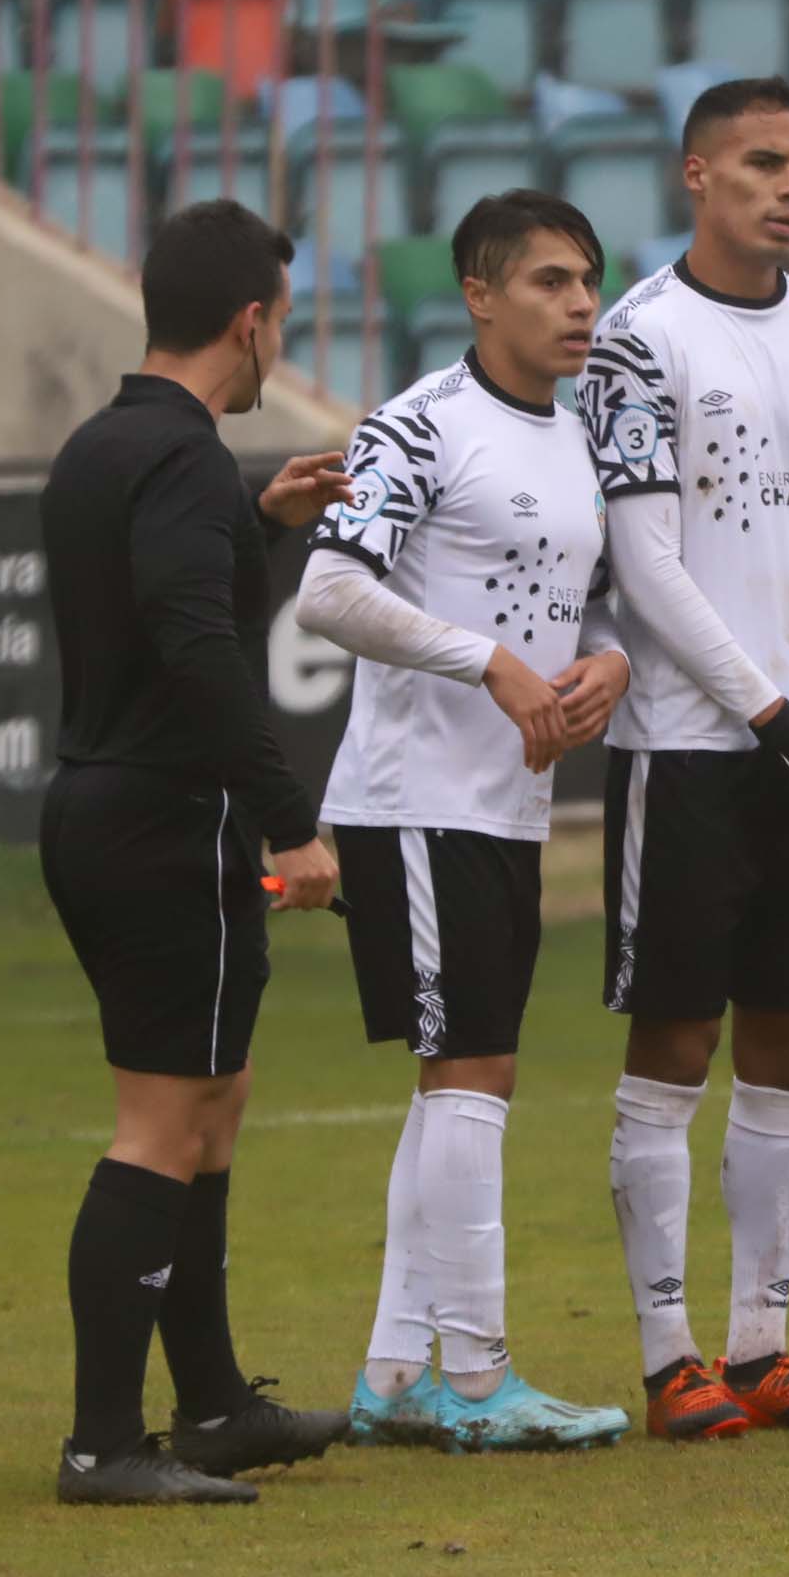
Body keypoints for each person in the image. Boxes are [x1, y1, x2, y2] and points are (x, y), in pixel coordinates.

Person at [572, 78, 789, 1440]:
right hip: (689, 747)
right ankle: (667, 1358)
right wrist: (763, 709)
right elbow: (643, 561)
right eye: (761, 162)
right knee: (676, 1039)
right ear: (694, 173)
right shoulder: (637, 340)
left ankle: (764, 1345)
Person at [295, 192, 635, 1456]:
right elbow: (330, 589)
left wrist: (607, 663)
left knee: (459, 1082)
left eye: (589, 280)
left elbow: (590, 602)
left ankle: (393, 1373)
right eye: (549, 280)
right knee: (472, 1075)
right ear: (481, 295)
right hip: (416, 802)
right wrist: (486, 661)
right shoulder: (415, 426)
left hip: (505, 805)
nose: (580, 303)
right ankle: (480, 1378)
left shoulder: (578, 438)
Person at [36, 200, 357, 1505]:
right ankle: (104, 1446)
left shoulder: (113, 445)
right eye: (281, 315)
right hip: (167, 822)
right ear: (251, 320)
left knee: (206, 1115)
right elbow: (191, 642)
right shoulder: (178, 461)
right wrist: (290, 816)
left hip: (116, 809)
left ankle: (214, 1406)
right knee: (162, 1125)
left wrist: (261, 527)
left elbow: (158, 603)